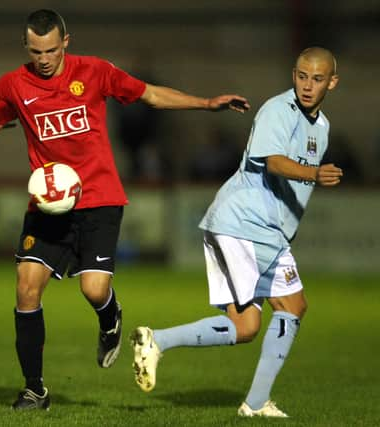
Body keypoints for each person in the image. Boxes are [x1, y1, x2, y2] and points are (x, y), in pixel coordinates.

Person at [0, 9, 249, 411]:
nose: (44, 58)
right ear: (26, 47)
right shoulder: (13, 85)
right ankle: (35, 389)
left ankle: (110, 318)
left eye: (51, 49)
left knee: (94, 288)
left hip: (100, 200)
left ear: (66, 42)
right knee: (26, 287)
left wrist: (206, 103)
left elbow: (151, 94)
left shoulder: (95, 72)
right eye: (36, 51)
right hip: (49, 206)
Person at [131, 47, 342, 418]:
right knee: (281, 310)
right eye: (302, 77)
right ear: (293, 75)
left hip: (266, 231)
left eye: (318, 79)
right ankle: (255, 402)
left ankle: (159, 342)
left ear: (332, 82)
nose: (308, 86)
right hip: (243, 223)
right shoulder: (279, 110)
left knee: (254, 323)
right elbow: (274, 162)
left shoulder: (321, 127)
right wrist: (314, 173)